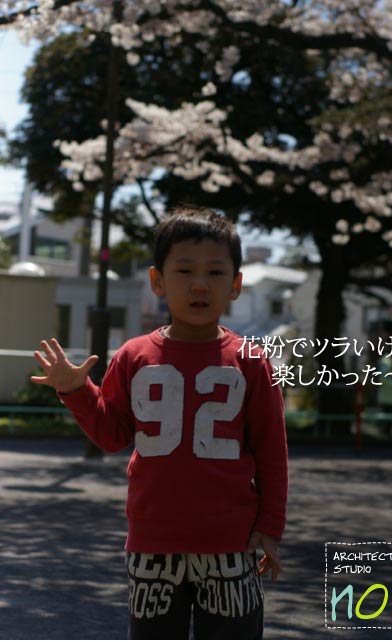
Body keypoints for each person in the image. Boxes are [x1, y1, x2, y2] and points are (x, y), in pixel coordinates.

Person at [31, 206, 288, 640]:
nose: (200, 284)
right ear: (158, 281)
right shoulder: (134, 356)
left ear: (236, 285)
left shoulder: (251, 361)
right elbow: (111, 435)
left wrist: (270, 527)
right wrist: (76, 390)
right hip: (152, 542)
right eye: (184, 270)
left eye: (215, 272)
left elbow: (271, 452)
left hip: (232, 542)